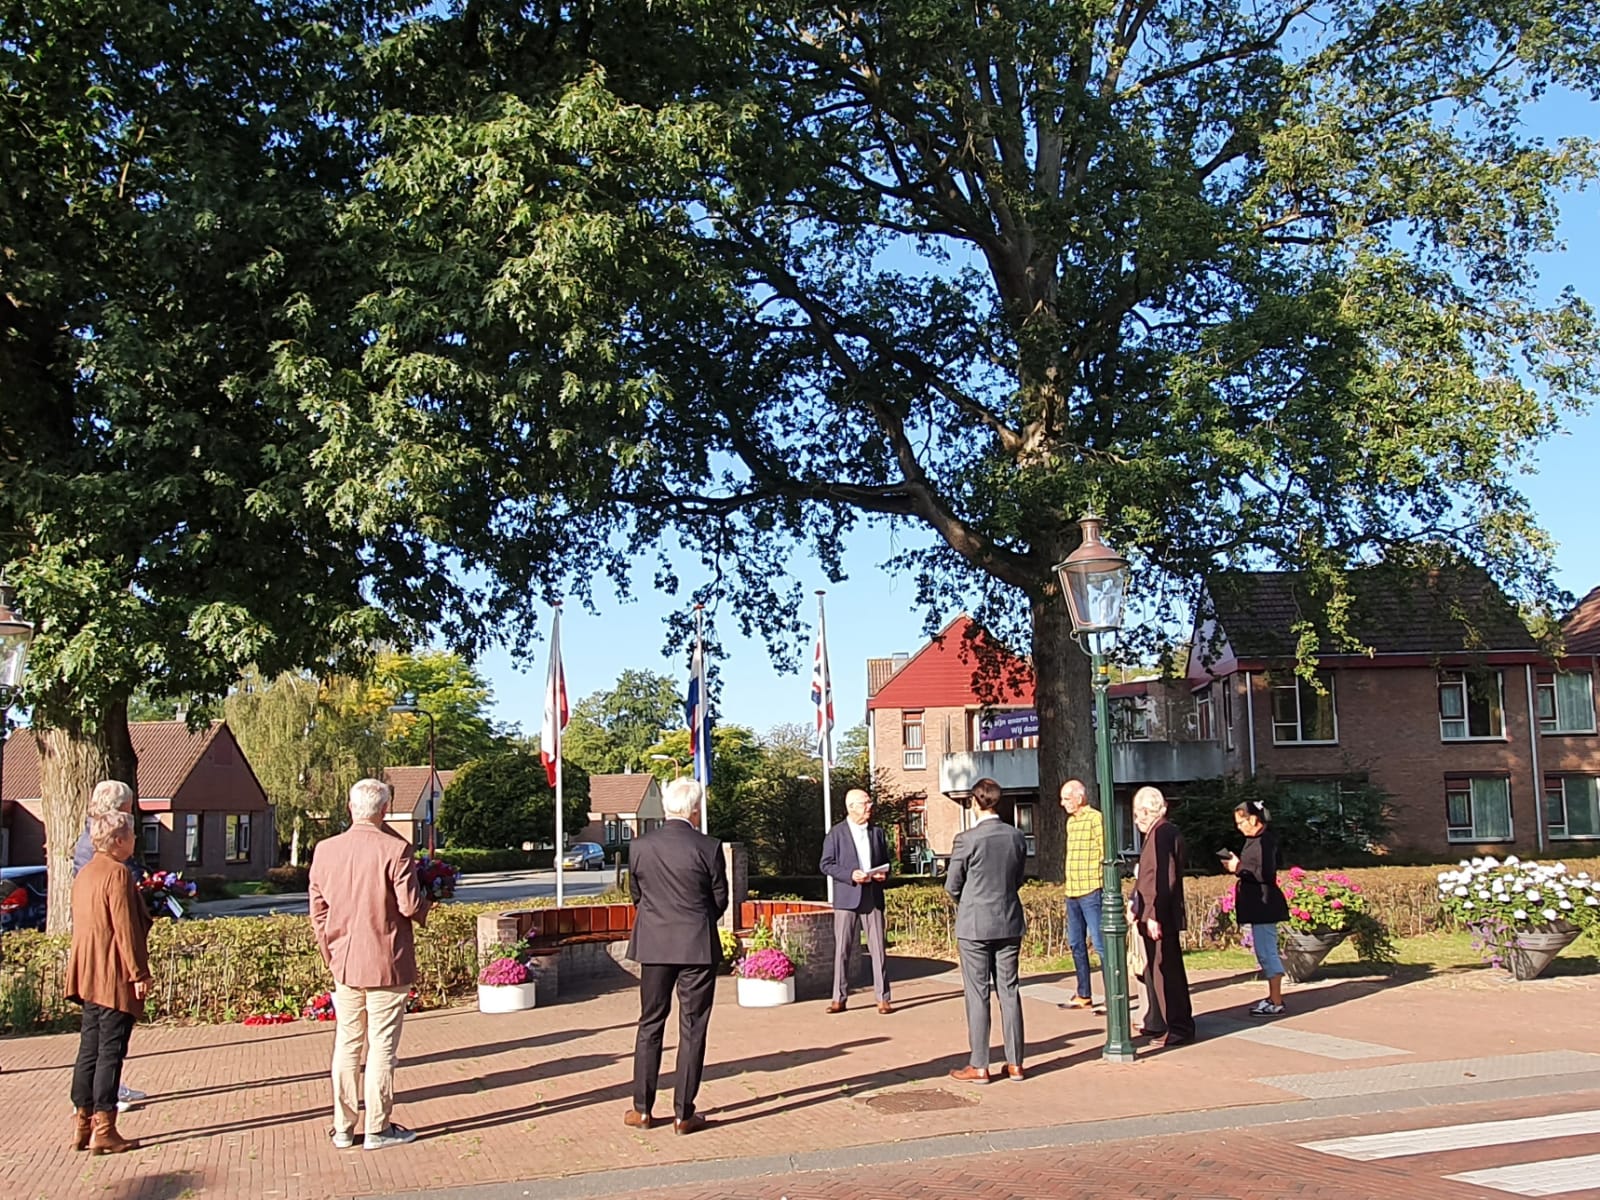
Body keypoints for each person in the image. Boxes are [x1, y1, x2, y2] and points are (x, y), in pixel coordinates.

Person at [308, 778, 430, 1151]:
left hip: (345, 962)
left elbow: (318, 911)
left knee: (347, 1043)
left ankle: (343, 1128)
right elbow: (408, 905)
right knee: (381, 1047)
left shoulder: (325, 850)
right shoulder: (396, 849)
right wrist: (428, 905)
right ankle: (378, 1128)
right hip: (387, 962)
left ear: (349, 807)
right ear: (384, 810)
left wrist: (330, 954)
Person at [625, 777, 729, 1135]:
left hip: (654, 945)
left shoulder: (639, 846)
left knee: (650, 1023)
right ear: (695, 809)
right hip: (697, 946)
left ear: (667, 805)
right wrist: (697, 923)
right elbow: (720, 899)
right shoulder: (709, 846)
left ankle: (642, 1109)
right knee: (692, 1027)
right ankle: (683, 1113)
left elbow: (636, 894)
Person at [64, 809, 152, 1154]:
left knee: (89, 1048)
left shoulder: (85, 873)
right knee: (110, 1052)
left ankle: (81, 1122)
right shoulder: (117, 874)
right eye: (131, 835)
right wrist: (139, 973)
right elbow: (125, 928)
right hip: (112, 974)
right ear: (118, 840)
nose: (134, 840)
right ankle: (104, 1126)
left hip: (87, 971)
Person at [945, 777, 1028, 1083]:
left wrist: (967, 903)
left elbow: (952, 884)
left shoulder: (967, 839)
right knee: (1010, 991)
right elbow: (1019, 877)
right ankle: (1016, 1062)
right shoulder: (1016, 836)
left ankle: (980, 1064)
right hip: (1008, 920)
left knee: (977, 994)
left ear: (974, 802)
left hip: (974, 925)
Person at [1128, 785, 1194, 1048]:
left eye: (1136, 814)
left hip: (1158, 916)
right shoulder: (1164, 832)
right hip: (1156, 913)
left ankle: (1177, 1026)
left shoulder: (1161, 834)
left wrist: (1152, 914)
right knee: (1163, 970)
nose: (1135, 820)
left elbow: (1162, 877)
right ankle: (1172, 1023)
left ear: (1146, 811)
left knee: (1165, 971)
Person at [819, 788, 893, 1014]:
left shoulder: (877, 833)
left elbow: (886, 862)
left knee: (878, 949)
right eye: (864, 803)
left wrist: (883, 875)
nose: (869, 806)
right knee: (843, 949)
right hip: (847, 898)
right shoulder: (836, 833)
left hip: (872, 897)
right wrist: (850, 874)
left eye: (870, 802)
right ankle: (839, 998)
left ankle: (883, 998)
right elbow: (826, 864)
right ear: (851, 807)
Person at [1222, 799, 1291, 1016]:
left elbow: (1264, 873)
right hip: (1258, 905)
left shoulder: (1264, 841)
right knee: (1263, 951)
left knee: (1266, 951)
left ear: (1253, 819)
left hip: (1264, 905)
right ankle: (1273, 997)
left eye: (1241, 822)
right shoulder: (1254, 841)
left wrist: (1238, 867)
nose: (1239, 827)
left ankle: (1276, 1000)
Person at [1058, 779, 1104, 1009]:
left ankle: (1113, 995)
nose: (1062, 803)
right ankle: (1083, 993)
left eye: (1066, 798)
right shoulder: (1070, 823)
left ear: (1079, 797)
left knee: (1100, 943)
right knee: (1076, 943)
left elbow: (1104, 851)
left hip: (1091, 889)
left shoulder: (1095, 818)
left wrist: (1101, 881)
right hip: (1072, 891)